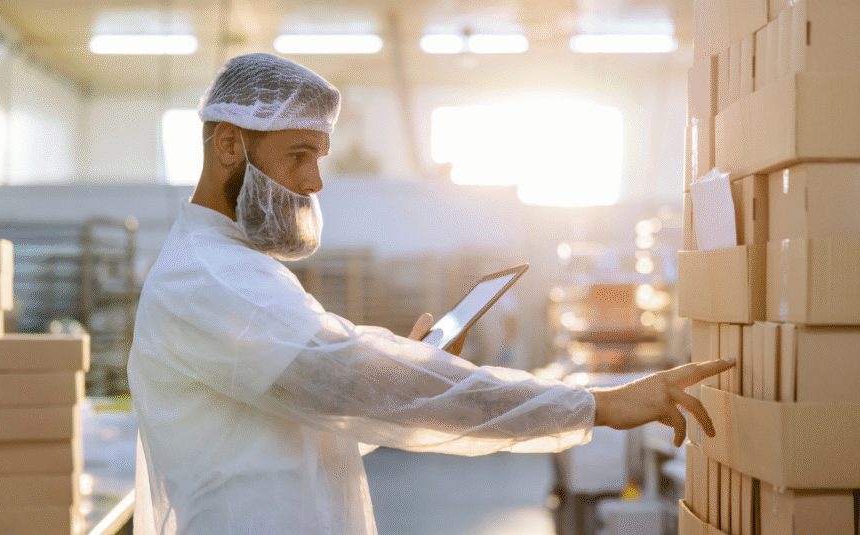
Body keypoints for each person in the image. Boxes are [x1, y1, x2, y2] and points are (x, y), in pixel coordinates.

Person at [127, 52, 733, 535]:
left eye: (319, 158)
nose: (314, 182)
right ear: (230, 144)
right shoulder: (209, 279)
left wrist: (404, 370)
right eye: (299, 155)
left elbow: (306, 422)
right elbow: (344, 382)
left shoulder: (240, 269)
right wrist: (599, 406)